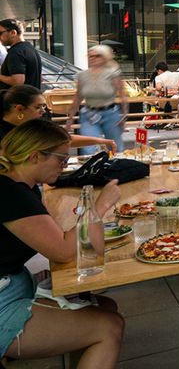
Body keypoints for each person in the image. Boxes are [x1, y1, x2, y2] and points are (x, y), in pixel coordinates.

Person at [0, 120, 124, 367]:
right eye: (61, 159)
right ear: (35, 156)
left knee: (104, 305)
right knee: (110, 326)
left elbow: (59, 236)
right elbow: (67, 251)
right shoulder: (11, 194)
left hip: (12, 285)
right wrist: (99, 205)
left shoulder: (23, 186)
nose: (65, 166)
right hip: (4, 300)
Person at [0, 85, 116, 152]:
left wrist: (99, 140)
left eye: (43, 106)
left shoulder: (30, 126)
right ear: (20, 109)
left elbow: (61, 138)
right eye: (38, 107)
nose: (43, 111)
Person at [65, 45, 127, 155]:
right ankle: (92, 170)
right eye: (90, 56)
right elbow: (78, 97)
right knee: (88, 149)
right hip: (88, 115)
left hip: (111, 114)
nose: (93, 58)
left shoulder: (113, 73)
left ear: (105, 57)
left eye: (97, 56)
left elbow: (122, 95)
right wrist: (69, 120)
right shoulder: (82, 75)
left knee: (116, 149)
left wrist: (124, 116)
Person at [0, 19, 41, 91]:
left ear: (13, 33)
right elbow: (40, 78)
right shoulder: (31, 49)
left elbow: (18, 81)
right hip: (32, 98)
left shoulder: (15, 52)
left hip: (19, 99)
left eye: (0, 33)